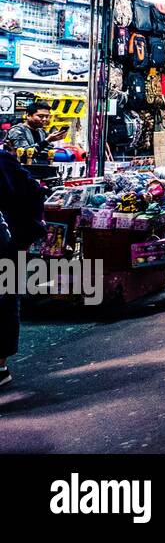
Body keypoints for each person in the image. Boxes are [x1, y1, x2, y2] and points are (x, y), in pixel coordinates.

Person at [0, 146, 48, 388]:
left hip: (6, 245)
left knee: (5, 300)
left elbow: (32, 193)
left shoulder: (2, 161)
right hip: (9, 243)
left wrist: (24, 234)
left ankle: (0, 365)